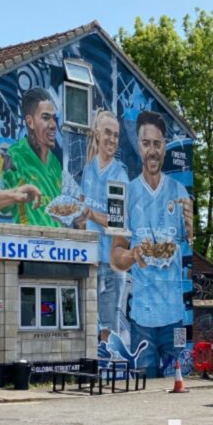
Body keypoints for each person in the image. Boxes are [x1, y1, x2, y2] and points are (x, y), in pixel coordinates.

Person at [111, 110, 193, 377]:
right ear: (138, 145)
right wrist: (134, 254)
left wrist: (190, 228)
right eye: (146, 144)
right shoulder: (123, 195)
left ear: (165, 146)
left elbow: (190, 244)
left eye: (157, 144)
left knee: (177, 385)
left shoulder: (181, 193)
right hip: (142, 320)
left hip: (174, 318)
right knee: (143, 388)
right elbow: (115, 257)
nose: (152, 151)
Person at [81, 110, 130, 334]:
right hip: (89, 257)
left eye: (116, 135)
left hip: (111, 261)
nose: (112, 139)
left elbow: (116, 220)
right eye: (108, 133)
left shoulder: (119, 174)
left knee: (108, 326)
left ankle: (108, 365)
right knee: (88, 323)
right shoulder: (88, 169)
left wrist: (90, 213)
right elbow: (82, 209)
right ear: (98, 134)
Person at [0, 87, 65, 227]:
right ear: (30, 122)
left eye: (54, 118)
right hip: (29, 244)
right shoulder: (15, 156)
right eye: (46, 118)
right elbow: (3, 207)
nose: (53, 125)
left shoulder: (55, 163)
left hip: (57, 245)